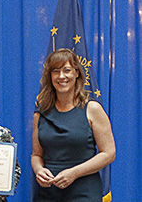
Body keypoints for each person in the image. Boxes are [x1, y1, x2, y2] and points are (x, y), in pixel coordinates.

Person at [31, 48, 116, 201]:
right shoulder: (40, 113)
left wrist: (74, 173)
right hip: (48, 193)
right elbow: (36, 155)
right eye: (56, 71)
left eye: (67, 70)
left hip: (84, 191)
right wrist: (38, 170)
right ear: (50, 76)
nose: (61, 76)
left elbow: (109, 153)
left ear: (77, 73)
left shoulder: (92, 109)